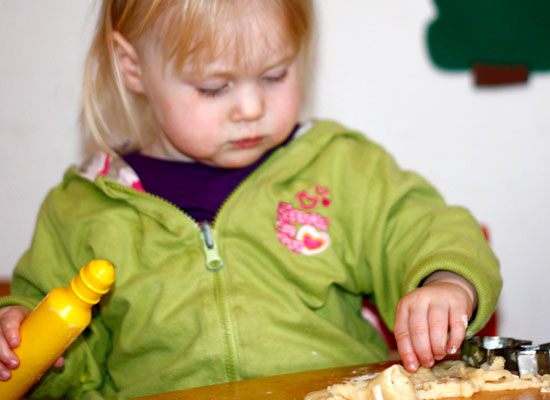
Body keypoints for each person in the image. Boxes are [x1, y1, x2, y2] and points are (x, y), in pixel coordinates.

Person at [0, 0, 502, 398]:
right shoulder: (82, 209)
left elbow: (423, 227)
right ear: (133, 67)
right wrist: (29, 349)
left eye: (274, 75)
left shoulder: (339, 167)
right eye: (214, 86)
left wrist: (446, 280)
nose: (251, 107)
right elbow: (65, 366)